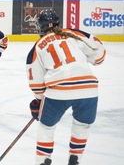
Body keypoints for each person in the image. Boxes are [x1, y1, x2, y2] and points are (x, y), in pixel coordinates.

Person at [26, 9, 106, 165]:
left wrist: (39, 101)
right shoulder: (73, 34)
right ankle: (75, 158)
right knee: (82, 125)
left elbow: (36, 84)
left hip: (58, 92)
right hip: (88, 90)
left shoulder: (37, 47)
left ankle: (43, 160)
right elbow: (99, 55)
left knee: (46, 128)